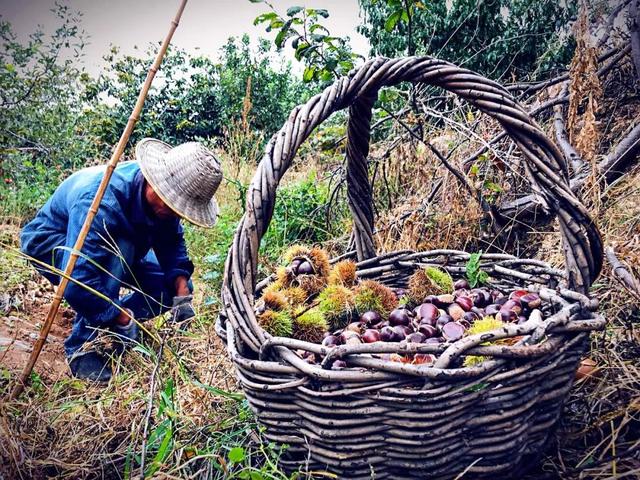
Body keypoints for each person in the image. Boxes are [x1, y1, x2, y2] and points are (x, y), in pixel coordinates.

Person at [20, 139, 222, 382]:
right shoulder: (102, 201)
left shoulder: (164, 205)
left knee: (174, 285)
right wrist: (117, 315)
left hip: (119, 245)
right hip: (52, 242)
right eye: (171, 206)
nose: (174, 214)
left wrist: (181, 294)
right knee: (119, 250)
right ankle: (83, 347)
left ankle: (112, 320)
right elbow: (76, 280)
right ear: (154, 182)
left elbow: (171, 242)